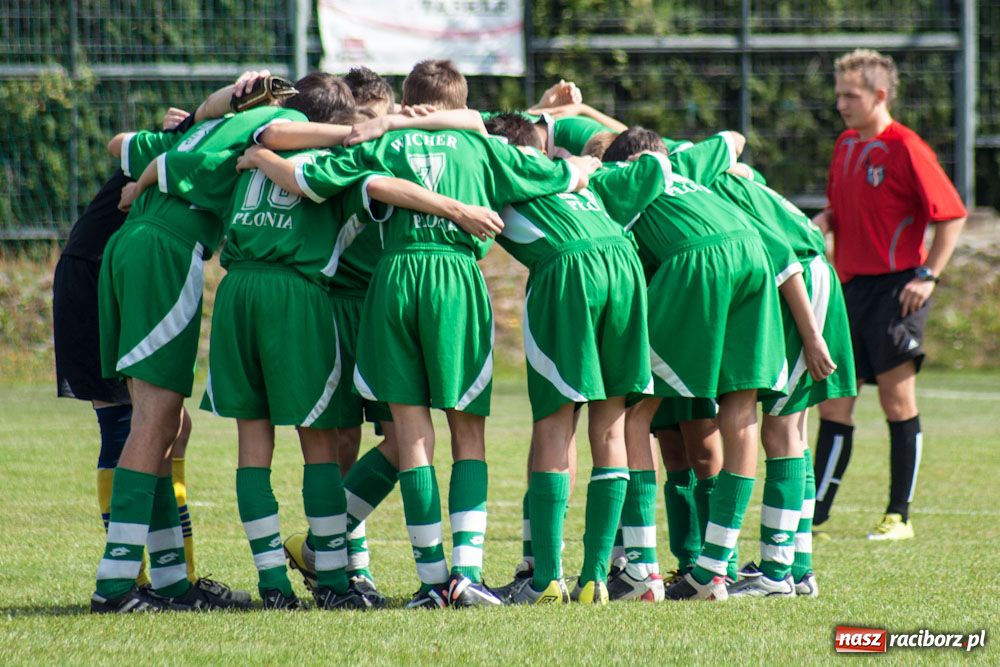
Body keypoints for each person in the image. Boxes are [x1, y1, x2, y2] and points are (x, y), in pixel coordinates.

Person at [250, 59, 600, 609]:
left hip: (393, 281)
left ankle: (432, 581)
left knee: (411, 439)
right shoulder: (484, 146)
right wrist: (583, 161)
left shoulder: (380, 142)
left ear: (408, 101)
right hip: (454, 280)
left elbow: (304, 178)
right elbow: (561, 176)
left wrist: (256, 155)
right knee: (468, 435)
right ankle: (467, 574)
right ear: (459, 105)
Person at [589, 128, 788, 601]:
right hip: (752, 253)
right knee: (740, 412)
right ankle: (714, 571)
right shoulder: (685, 166)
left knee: (634, 409)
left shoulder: (620, 175)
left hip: (699, 263)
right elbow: (735, 137)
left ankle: (641, 570)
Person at [484, 113, 653, 605]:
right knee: (611, 426)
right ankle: (597, 579)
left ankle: (546, 580)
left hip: (569, 268)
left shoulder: (500, 170)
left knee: (555, 425)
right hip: (624, 266)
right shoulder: (574, 174)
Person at [812, 49, 967, 541]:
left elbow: (953, 215)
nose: (841, 104)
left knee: (898, 402)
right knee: (835, 404)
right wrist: (821, 223)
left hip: (897, 289)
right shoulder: (844, 145)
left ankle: (898, 514)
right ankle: (814, 513)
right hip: (849, 288)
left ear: (879, 95)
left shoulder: (906, 147)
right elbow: (840, 209)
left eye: (850, 95)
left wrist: (928, 276)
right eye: (838, 95)